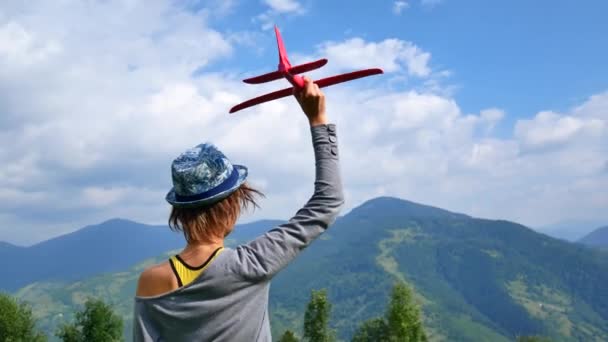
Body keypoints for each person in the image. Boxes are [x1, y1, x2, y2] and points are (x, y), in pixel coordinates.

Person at [133, 77, 344, 341]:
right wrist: (318, 120)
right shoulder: (249, 265)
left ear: (180, 211)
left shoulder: (150, 282)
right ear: (231, 206)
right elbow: (328, 201)